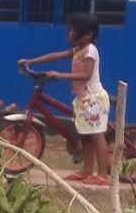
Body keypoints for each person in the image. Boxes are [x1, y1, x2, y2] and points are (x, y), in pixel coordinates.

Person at [19, 13, 110, 185]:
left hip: (93, 98)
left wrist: (60, 75)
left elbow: (86, 74)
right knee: (86, 137)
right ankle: (86, 171)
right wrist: (31, 61)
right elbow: (56, 55)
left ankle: (103, 175)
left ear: (88, 35)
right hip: (83, 98)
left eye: (74, 31)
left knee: (97, 136)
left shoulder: (90, 51)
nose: (70, 34)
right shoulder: (78, 50)